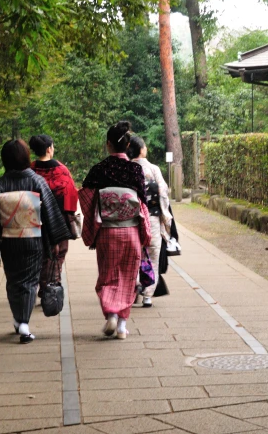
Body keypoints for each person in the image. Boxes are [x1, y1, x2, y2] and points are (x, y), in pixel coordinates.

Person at [0, 139, 71, 344]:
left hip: (9, 241)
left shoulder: (1, 184)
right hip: (32, 240)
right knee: (30, 281)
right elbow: (50, 213)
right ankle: (23, 323)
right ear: (26, 157)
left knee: (13, 282)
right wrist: (56, 239)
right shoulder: (37, 181)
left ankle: (19, 319)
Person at [79, 121, 151, 339]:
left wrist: (96, 218)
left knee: (108, 275)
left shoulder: (99, 169)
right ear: (128, 145)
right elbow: (142, 202)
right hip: (130, 232)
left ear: (108, 144)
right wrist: (145, 233)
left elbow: (86, 198)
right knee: (128, 277)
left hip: (107, 232)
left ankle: (110, 313)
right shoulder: (135, 169)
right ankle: (121, 326)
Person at [29, 134, 78, 295]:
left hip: (34, 219)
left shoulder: (31, 169)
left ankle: (41, 286)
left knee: (38, 254)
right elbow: (71, 194)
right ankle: (52, 284)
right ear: (49, 149)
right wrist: (69, 215)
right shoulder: (61, 170)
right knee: (58, 253)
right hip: (59, 220)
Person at [127, 136, 172, 307]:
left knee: (133, 255)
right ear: (142, 149)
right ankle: (147, 295)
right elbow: (162, 192)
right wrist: (165, 216)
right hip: (151, 217)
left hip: (131, 219)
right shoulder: (153, 169)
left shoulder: (127, 169)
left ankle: (133, 287)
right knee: (152, 255)